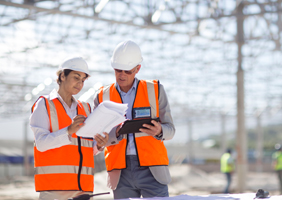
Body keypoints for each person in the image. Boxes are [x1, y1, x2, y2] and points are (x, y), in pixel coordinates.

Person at [93, 40, 175, 199]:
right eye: (118, 70)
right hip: (120, 172)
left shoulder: (155, 90)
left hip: (153, 171)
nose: (122, 75)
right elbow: (97, 138)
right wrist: (114, 134)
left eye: (127, 71)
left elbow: (171, 130)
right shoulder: (102, 96)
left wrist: (159, 130)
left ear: (138, 69)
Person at [30, 56, 109, 200]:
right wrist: (68, 131)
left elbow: (83, 148)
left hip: (83, 189)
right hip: (54, 190)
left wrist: (98, 145)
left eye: (83, 80)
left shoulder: (85, 108)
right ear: (62, 76)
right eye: (76, 77)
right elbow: (41, 144)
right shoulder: (44, 105)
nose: (80, 83)